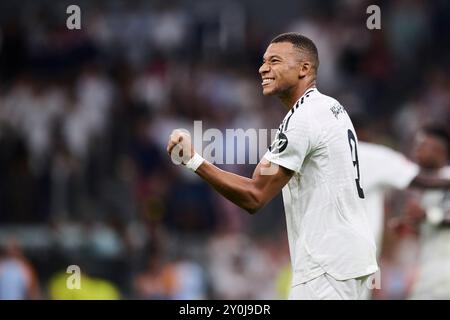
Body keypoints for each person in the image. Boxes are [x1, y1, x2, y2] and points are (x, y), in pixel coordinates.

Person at [167, 32, 378, 300]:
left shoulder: (303, 117)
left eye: (275, 61)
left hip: (326, 266)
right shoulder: (331, 107)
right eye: (263, 61)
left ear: (304, 69)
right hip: (351, 260)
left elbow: (255, 196)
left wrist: (193, 160)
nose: (263, 68)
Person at [404, 127, 450, 299]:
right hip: (429, 271)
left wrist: (426, 215)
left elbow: (437, 216)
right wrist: (412, 224)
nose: (417, 151)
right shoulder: (428, 184)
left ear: (439, 151)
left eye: (423, 146)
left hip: (444, 275)